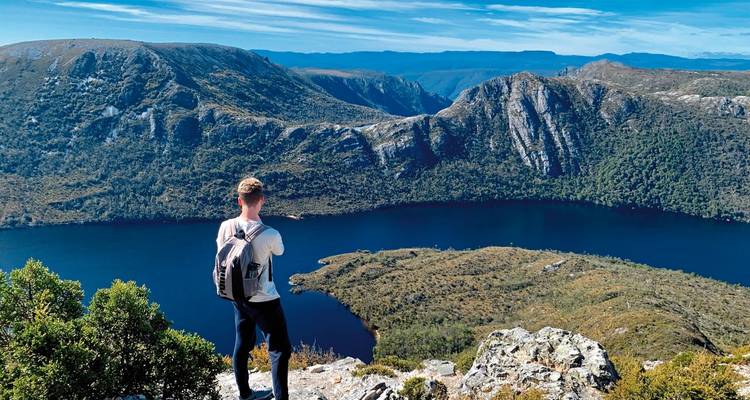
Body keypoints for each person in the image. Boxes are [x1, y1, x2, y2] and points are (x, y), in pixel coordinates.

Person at [216, 177, 291, 400]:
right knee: (279, 350)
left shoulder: (225, 226)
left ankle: (245, 394)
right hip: (265, 299)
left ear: (240, 201)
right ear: (262, 201)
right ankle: (281, 397)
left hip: (237, 296)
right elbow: (279, 252)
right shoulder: (270, 234)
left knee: (242, 344)